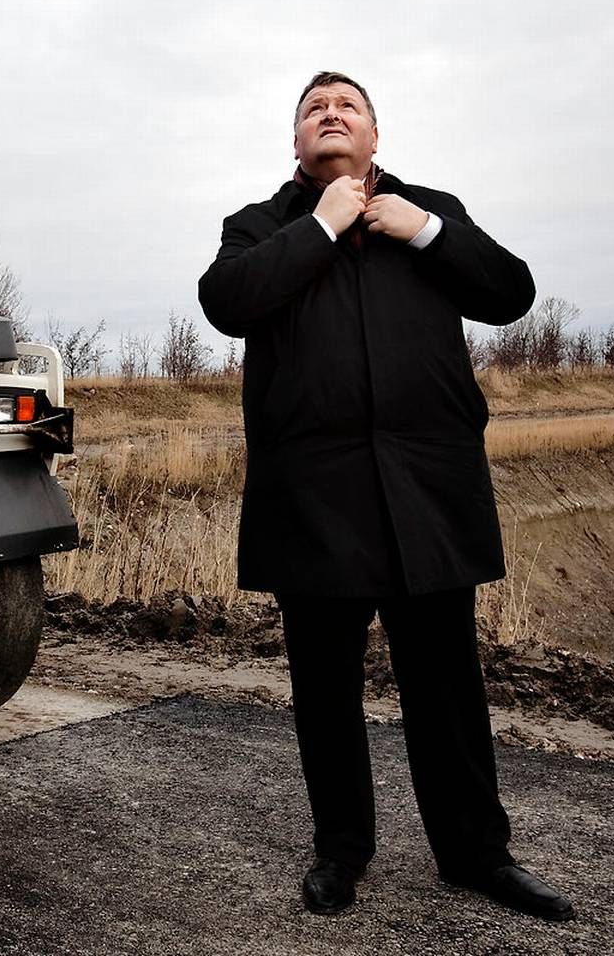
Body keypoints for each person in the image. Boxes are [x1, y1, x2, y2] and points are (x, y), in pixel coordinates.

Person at [197, 71, 574, 922]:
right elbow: (225, 303)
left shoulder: (428, 209)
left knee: (446, 685)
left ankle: (477, 855)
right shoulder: (259, 228)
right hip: (315, 495)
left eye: (347, 106)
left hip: (425, 490)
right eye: (313, 110)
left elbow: (510, 294)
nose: (330, 115)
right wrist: (323, 226)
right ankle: (342, 852)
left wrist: (430, 231)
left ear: (375, 135)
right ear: (296, 143)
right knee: (325, 693)